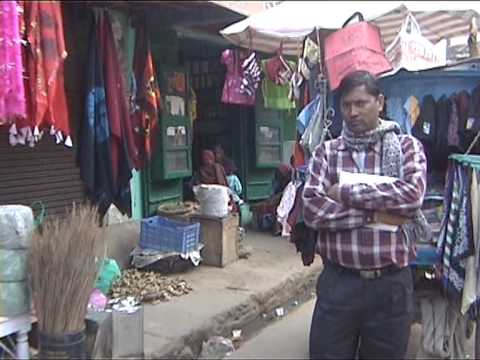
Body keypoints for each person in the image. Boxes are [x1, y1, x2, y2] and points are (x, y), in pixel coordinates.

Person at [303, 70, 429, 359]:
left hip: (390, 287)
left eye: (361, 103)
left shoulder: (407, 148)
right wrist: (373, 216)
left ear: (380, 102)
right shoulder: (326, 153)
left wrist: (346, 193)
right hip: (338, 283)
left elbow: (411, 198)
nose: (352, 112)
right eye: (347, 105)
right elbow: (312, 210)